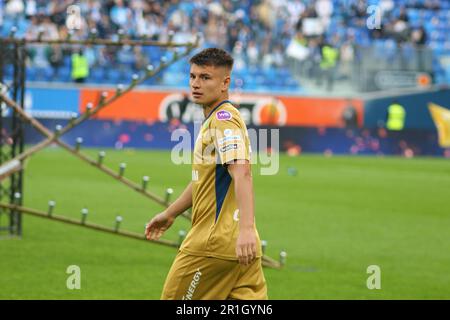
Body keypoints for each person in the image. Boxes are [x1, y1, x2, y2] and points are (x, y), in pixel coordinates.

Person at [145, 48, 267, 300]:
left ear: (225, 83)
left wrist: (245, 229)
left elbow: (241, 172)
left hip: (214, 244)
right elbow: (205, 181)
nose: (195, 84)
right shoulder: (216, 119)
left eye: (205, 77)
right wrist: (170, 214)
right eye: (192, 76)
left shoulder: (222, 118)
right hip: (242, 248)